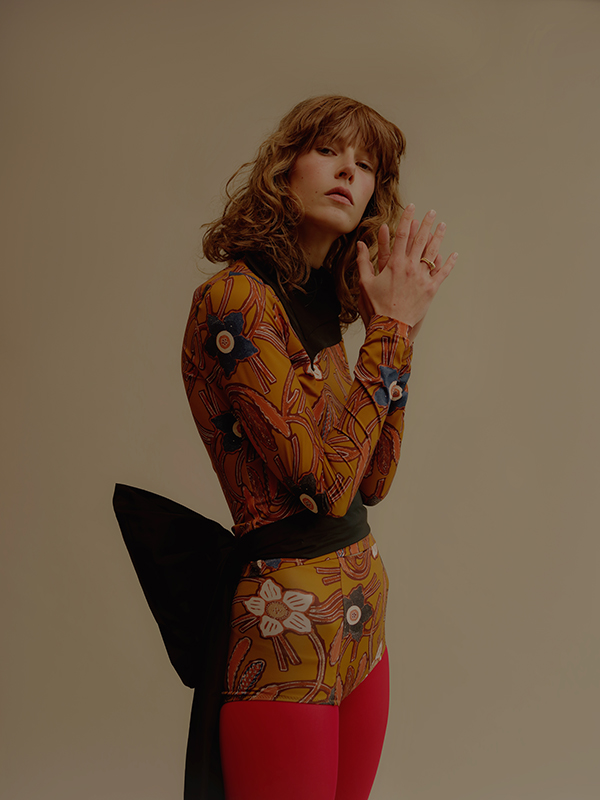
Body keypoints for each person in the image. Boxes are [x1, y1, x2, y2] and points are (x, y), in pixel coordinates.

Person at [179, 95, 456, 800]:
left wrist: (396, 335)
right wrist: (389, 332)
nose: (348, 171)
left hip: (363, 618)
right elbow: (325, 489)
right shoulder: (236, 301)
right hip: (287, 631)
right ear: (284, 168)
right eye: (329, 151)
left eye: (366, 165)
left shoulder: (325, 307)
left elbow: (374, 480)